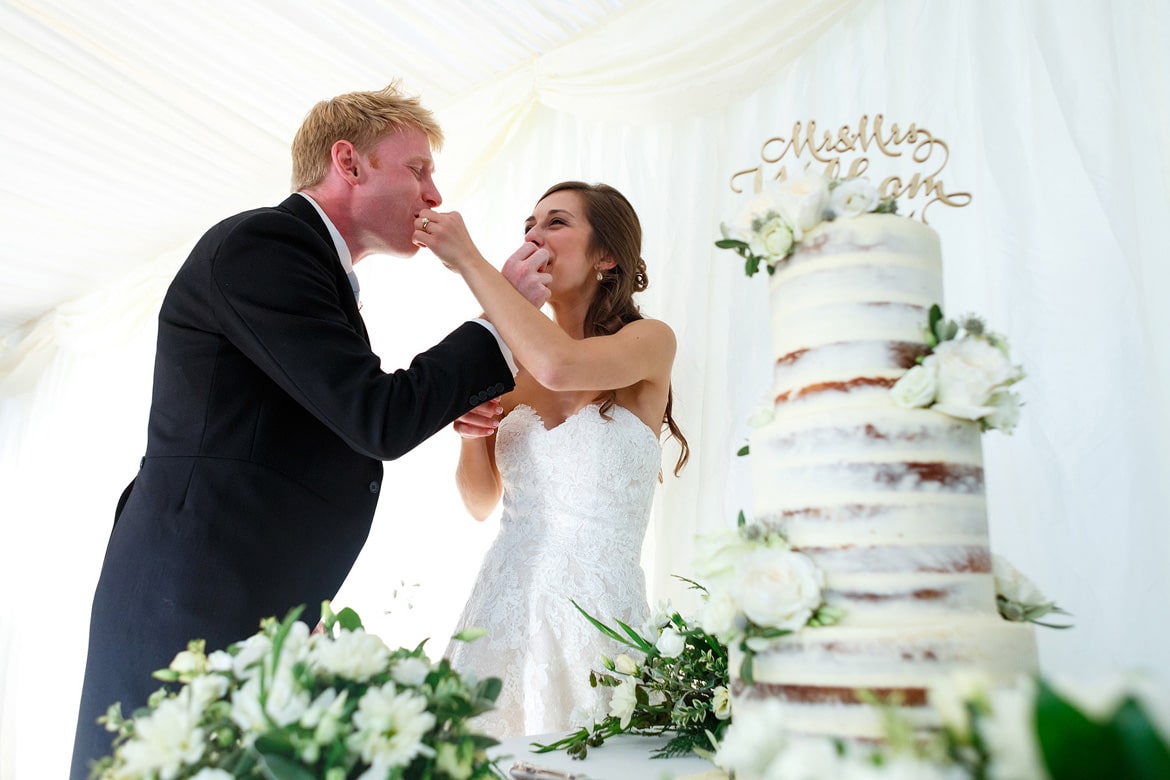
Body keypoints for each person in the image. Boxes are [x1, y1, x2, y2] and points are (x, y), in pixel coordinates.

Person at [69, 83, 549, 779]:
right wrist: (497, 317)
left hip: (240, 593)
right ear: (348, 162)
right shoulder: (265, 244)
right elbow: (374, 416)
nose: (434, 195)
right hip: (193, 597)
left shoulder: (299, 262)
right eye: (417, 170)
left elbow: (317, 422)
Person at [417, 181, 689, 737]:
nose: (534, 236)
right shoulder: (507, 361)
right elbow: (479, 503)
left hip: (600, 614)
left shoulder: (650, 341)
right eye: (528, 227)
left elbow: (562, 366)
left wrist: (469, 260)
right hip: (503, 605)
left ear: (607, 256)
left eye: (556, 223)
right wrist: (473, 434)